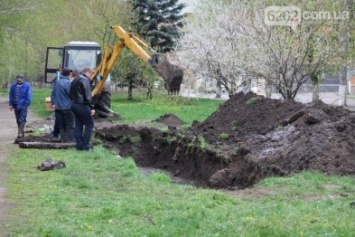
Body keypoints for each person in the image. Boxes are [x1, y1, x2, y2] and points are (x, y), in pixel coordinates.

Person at [70, 67, 95, 151]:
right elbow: (88, 95)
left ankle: (79, 145)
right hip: (81, 105)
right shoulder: (84, 80)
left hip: (73, 104)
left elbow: (70, 93)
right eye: (90, 74)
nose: (90, 76)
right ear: (87, 72)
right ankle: (86, 146)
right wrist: (92, 107)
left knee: (78, 125)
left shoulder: (75, 79)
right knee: (90, 124)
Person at [52, 68, 75, 143]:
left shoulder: (57, 82)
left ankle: (63, 139)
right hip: (67, 107)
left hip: (58, 107)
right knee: (70, 124)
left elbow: (53, 94)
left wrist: (54, 103)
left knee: (61, 125)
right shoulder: (68, 83)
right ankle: (70, 140)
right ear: (69, 74)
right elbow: (71, 94)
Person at [9, 74, 32, 138]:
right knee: (18, 120)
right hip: (16, 105)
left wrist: (26, 104)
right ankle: (21, 132)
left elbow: (29, 97)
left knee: (22, 119)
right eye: (18, 80)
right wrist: (11, 104)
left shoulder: (26, 86)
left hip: (23, 105)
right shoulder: (13, 86)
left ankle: (19, 133)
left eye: (20, 80)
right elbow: (11, 96)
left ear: (22, 80)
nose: (19, 81)